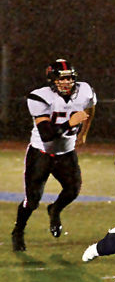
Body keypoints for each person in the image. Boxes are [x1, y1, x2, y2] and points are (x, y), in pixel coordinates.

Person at [11, 59, 96, 251]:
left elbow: (90, 107)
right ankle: (18, 230)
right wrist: (71, 124)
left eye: (69, 79)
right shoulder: (39, 97)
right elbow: (47, 135)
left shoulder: (85, 90)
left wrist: (84, 133)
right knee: (32, 201)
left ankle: (55, 210)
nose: (66, 83)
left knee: (73, 190)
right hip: (41, 153)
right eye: (61, 79)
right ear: (52, 80)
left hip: (66, 153)